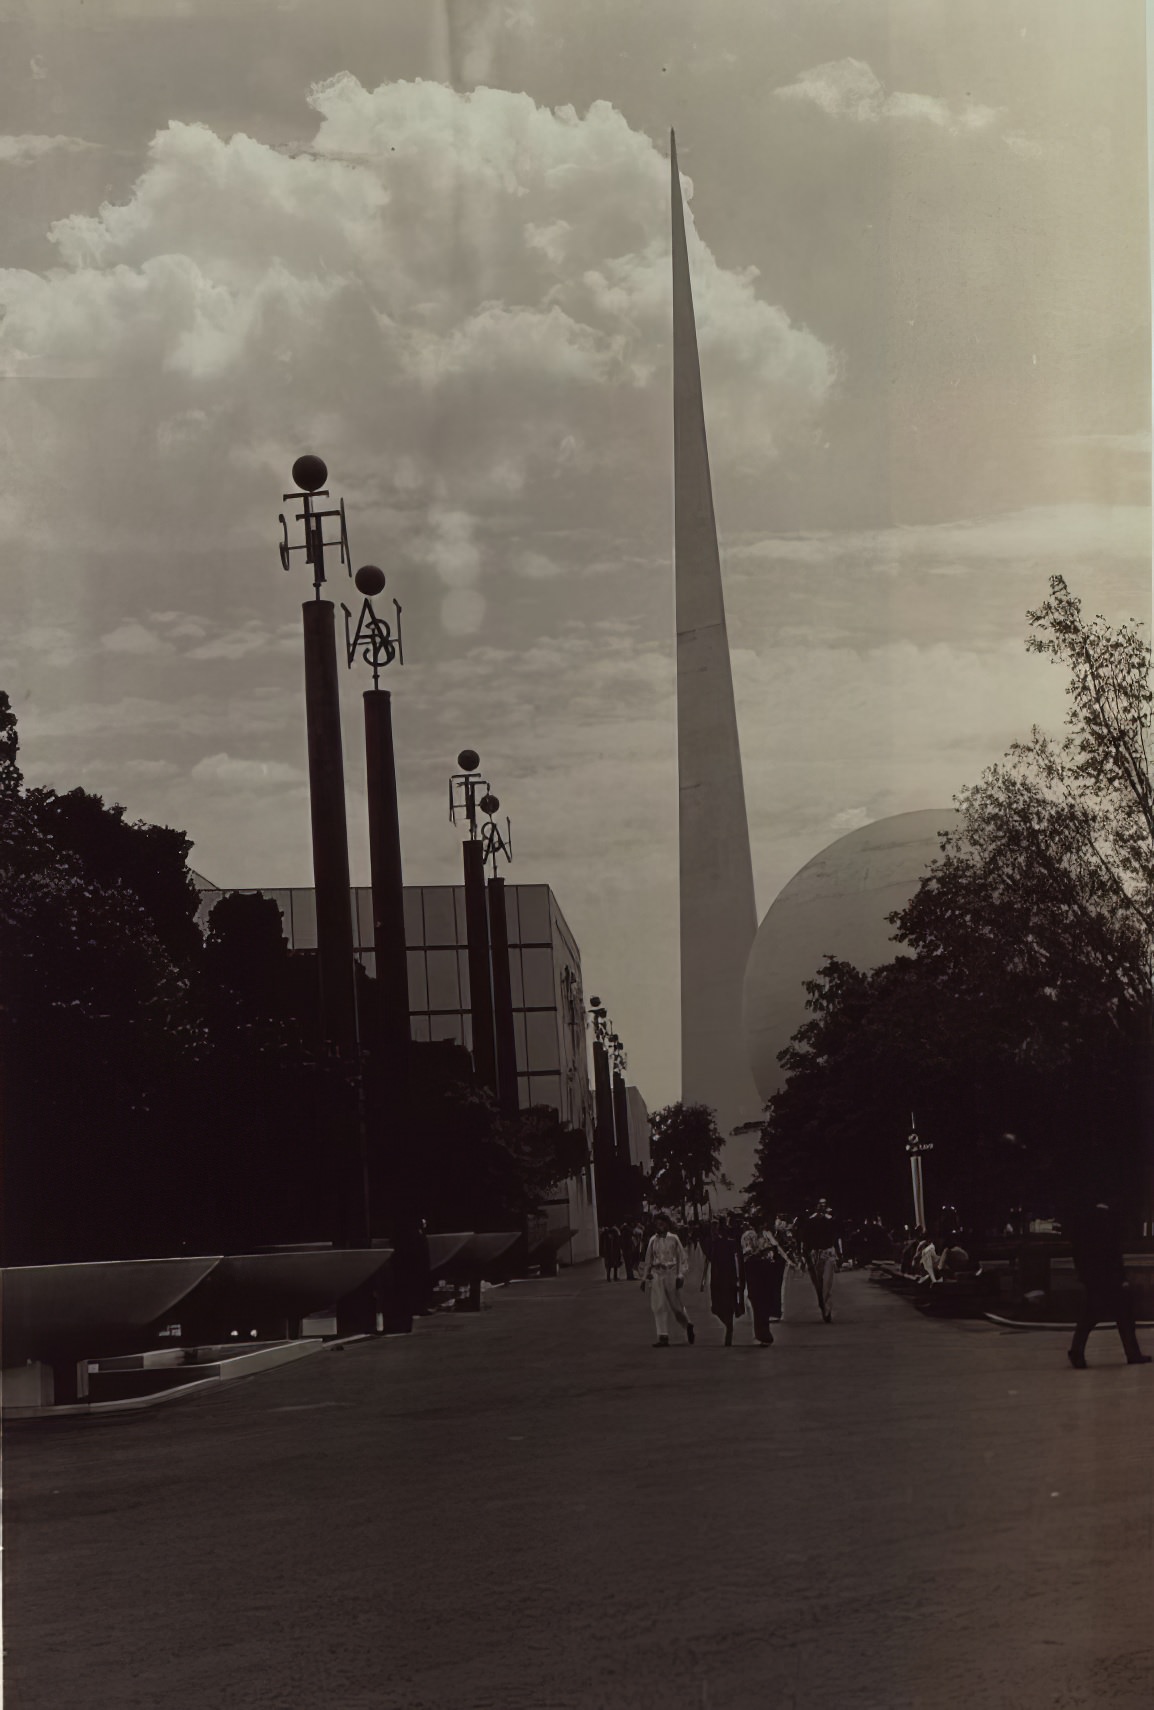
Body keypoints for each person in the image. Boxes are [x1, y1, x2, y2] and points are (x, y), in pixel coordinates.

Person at [1066, 1201, 1152, 1369]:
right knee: (1124, 1317)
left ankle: (1077, 1351)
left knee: (1090, 1316)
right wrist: (1122, 1278)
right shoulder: (1108, 1225)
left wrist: (1083, 1275)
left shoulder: (1084, 1227)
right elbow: (1113, 1255)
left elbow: (1079, 1254)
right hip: (1111, 1280)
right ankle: (1132, 1353)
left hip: (1094, 1279)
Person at [640, 1211, 695, 1347]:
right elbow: (648, 1260)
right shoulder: (653, 1240)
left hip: (671, 1273)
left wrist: (680, 1275)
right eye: (658, 1224)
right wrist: (644, 1278)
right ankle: (662, 1336)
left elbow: (683, 1258)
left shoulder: (674, 1239)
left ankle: (687, 1324)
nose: (660, 1226)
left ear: (667, 1224)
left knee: (676, 1306)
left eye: (662, 1223)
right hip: (657, 1274)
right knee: (658, 1306)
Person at [740, 1213, 792, 1345]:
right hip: (754, 1270)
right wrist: (760, 1253)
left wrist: (787, 1260)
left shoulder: (767, 1234)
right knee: (758, 1302)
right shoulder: (748, 1236)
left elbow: (776, 1249)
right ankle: (761, 1333)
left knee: (765, 1301)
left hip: (767, 1270)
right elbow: (747, 1253)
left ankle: (764, 1332)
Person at [700, 1213, 745, 1346]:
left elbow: (738, 1261)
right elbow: (708, 1255)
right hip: (718, 1277)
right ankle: (729, 1324)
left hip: (727, 1277)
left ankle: (729, 1325)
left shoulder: (730, 1243)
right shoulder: (714, 1243)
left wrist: (738, 1279)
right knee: (718, 1306)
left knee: (727, 1303)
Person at [799, 1199, 841, 1322]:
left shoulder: (831, 1221)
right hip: (814, 1254)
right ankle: (823, 1307)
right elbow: (804, 1241)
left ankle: (826, 1309)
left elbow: (836, 1238)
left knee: (826, 1283)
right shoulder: (808, 1222)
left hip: (827, 1253)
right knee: (819, 1285)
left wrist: (838, 1255)